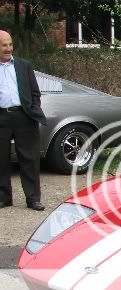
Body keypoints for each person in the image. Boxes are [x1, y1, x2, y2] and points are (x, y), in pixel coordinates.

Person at [0, 30, 47, 211]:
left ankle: (33, 198)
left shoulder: (23, 65)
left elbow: (35, 92)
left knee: (30, 158)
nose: (8, 48)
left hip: (24, 116)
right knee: (1, 159)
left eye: (10, 44)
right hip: (2, 117)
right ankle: (4, 197)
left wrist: (34, 108)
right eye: (4, 45)